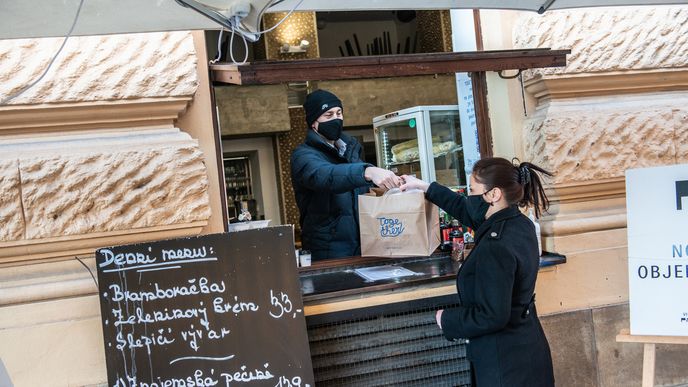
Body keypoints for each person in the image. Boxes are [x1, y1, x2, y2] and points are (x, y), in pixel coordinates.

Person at [400, 157, 555, 387]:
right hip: (528, 351)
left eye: (473, 190)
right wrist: (425, 187)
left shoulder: (496, 245)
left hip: (504, 366)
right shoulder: (518, 223)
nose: (470, 196)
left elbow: (492, 315)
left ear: (494, 194)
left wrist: (448, 320)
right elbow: (463, 208)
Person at [291, 89, 401, 261]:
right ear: (314, 122)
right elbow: (326, 176)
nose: (336, 118)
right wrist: (367, 171)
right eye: (328, 115)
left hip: (363, 246)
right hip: (328, 252)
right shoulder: (303, 156)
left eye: (339, 113)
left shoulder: (350, 150)